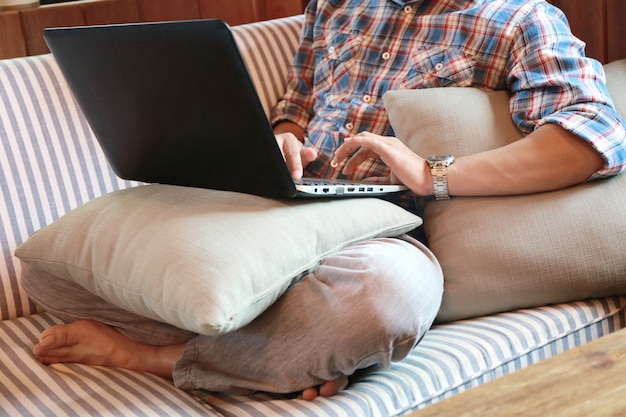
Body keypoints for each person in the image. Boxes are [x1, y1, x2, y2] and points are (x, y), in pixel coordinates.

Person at [25, 0, 625, 401]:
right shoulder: (336, 5)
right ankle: (294, 353)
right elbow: (297, 104)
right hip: (278, 206)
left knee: (385, 301)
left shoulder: (520, 19)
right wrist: (284, 142)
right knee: (48, 272)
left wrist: (432, 172)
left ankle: (165, 357)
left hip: (381, 232)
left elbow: (595, 139)